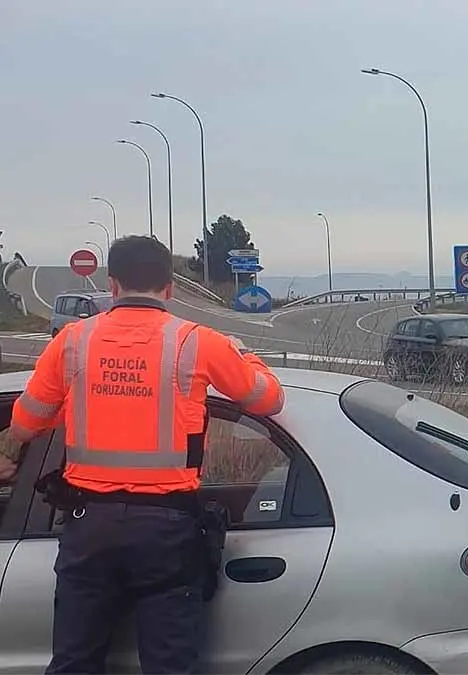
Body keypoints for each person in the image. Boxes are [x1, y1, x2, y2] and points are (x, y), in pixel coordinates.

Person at [10, 235, 285, 674]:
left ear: (113, 285)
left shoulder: (71, 342)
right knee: (169, 665)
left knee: (74, 662)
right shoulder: (199, 342)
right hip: (166, 530)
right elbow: (267, 399)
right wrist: (246, 355)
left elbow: (25, 422)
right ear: (169, 288)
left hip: (89, 526)